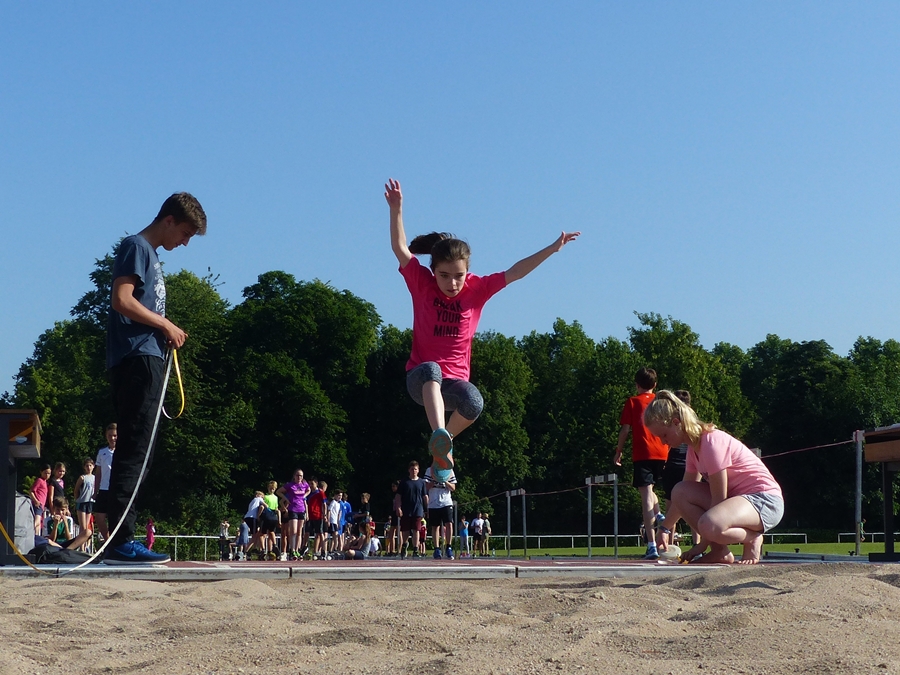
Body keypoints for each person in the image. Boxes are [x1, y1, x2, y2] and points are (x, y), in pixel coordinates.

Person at [385, 179, 579, 481]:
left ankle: (442, 447)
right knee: (432, 369)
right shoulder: (421, 283)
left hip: (454, 384)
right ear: (433, 271)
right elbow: (400, 249)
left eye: (458, 276)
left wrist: (553, 248)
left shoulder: (478, 289)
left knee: (475, 401)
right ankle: (440, 435)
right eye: (444, 276)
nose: (452, 284)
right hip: (420, 379)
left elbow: (516, 272)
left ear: (468, 271)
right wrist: (396, 209)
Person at [104, 192, 206, 565]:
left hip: (146, 357)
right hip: (137, 358)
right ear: (169, 220)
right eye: (185, 233)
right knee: (135, 449)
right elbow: (122, 299)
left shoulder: (150, 255)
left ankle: (121, 537)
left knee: (141, 450)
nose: (185, 242)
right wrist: (165, 324)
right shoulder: (137, 246)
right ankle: (121, 540)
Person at [644, 390, 785, 565]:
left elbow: (719, 499)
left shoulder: (711, 442)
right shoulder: (693, 449)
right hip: (738, 500)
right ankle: (720, 552)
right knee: (680, 491)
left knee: (709, 524)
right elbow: (683, 496)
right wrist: (664, 528)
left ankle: (752, 537)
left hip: (764, 501)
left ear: (676, 423)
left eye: (664, 435)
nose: (663, 442)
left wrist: (701, 546)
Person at [614, 367, 668, 561]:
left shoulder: (633, 402)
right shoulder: (661, 402)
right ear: (655, 385)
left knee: (645, 496)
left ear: (637, 385)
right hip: (663, 451)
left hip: (643, 452)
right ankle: (660, 515)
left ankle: (651, 544)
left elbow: (625, 430)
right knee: (654, 490)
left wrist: (618, 451)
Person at [659, 390, 699, 547]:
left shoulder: (673, 421)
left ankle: (668, 545)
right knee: (692, 505)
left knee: (672, 505)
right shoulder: (692, 420)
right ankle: (696, 544)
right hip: (682, 464)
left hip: (676, 465)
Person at [397, 461, 428, 559]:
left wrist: (427, 508)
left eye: (415, 469)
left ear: (418, 470)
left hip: (418, 509)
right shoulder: (404, 482)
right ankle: (404, 545)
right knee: (405, 530)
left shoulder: (421, 482)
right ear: (409, 470)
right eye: (412, 469)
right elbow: (398, 496)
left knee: (416, 529)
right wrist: (398, 507)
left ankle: (415, 549)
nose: (413, 471)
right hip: (406, 509)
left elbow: (425, 496)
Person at [276, 469, 310, 560]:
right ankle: (292, 549)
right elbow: (278, 491)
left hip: (301, 509)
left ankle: (297, 549)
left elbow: (309, 490)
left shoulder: (304, 484)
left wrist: (304, 496)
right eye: (298, 475)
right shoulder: (290, 485)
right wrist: (286, 499)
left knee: (299, 531)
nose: (299, 477)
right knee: (293, 530)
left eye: (301, 476)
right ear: (294, 476)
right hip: (293, 509)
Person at [424, 465, 456, 560]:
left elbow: (453, 487)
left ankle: (448, 547)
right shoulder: (430, 470)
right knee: (435, 526)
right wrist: (435, 480)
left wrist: (445, 481)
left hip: (446, 502)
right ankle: (437, 549)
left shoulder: (449, 470)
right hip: (434, 502)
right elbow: (426, 487)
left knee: (449, 524)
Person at [93, 423, 117, 542]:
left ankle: (115, 541)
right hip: (104, 489)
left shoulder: (123, 452)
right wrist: (95, 491)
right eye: (109, 435)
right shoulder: (102, 452)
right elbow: (98, 473)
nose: (112, 438)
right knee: (99, 517)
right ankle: (108, 541)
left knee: (114, 518)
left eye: (114, 435)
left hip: (116, 489)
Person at [73, 458, 96, 549]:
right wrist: (77, 498)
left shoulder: (95, 478)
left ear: (93, 466)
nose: (89, 467)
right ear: (84, 467)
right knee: (82, 526)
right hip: (82, 502)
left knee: (86, 526)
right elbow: (76, 490)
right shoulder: (82, 477)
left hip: (90, 502)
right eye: (87, 466)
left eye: (90, 465)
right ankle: (81, 546)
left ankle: (85, 546)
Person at [306, 480, 328, 559]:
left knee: (320, 533)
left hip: (318, 516)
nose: (311, 485)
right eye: (310, 484)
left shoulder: (320, 492)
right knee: (307, 532)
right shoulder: (309, 493)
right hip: (310, 516)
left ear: (316, 483)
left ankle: (324, 550)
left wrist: (324, 515)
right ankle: (307, 549)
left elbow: (324, 504)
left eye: (312, 484)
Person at [29, 464, 51, 535]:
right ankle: (33, 534)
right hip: (38, 504)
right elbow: (31, 491)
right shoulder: (39, 480)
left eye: (49, 473)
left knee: (39, 523)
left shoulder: (45, 482)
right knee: (37, 521)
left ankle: (36, 536)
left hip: (41, 505)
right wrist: (36, 501)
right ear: (41, 472)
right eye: (45, 473)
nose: (47, 475)